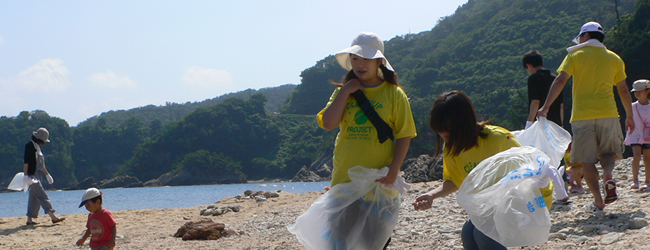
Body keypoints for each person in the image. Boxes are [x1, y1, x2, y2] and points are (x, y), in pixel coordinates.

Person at [413, 91, 553, 250]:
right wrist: (431, 195)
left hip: (523, 202)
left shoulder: (499, 139)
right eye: (440, 131)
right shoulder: (452, 147)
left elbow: (529, 172)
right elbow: (454, 181)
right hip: (489, 207)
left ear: (463, 123)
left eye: (447, 130)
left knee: (484, 235)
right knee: (468, 234)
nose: (443, 135)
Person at [317, 31, 417, 249]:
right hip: (345, 179)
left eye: (367, 59)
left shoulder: (394, 94)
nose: (360, 64)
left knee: (374, 243)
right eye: (355, 58)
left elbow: (404, 135)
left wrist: (394, 170)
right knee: (339, 242)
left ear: (379, 62)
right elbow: (329, 123)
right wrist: (345, 92)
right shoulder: (342, 92)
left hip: (379, 181)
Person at [538, 21, 634, 216]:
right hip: (608, 113)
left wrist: (546, 106)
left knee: (587, 160)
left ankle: (598, 201)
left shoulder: (574, 55)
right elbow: (623, 89)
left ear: (587, 36)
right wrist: (629, 115)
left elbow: (561, 80)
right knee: (608, 153)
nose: (579, 40)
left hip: (582, 116)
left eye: (580, 36)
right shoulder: (614, 58)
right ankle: (608, 174)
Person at [24, 127, 65, 225]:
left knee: (34, 197)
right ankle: (53, 216)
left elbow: (41, 165)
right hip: (32, 175)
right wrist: (26, 175)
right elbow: (26, 162)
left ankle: (30, 219)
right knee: (42, 195)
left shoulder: (38, 147)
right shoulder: (30, 146)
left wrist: (47, 174)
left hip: (38, 174)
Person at [522, 50, 564, 128]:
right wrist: (561, 124)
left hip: (540, 123)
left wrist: (530, 122)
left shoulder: (533, 78)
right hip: (555, 123)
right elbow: (561, 105)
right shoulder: (555, 79)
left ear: (529, 66)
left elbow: (535, 101)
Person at [624, 79, 650, 191]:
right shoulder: (632, 106)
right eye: (635, 91)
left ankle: (647, 181)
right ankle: (635, 180)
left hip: (647, 135)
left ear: (647, 91)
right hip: (635, 133)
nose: (637, 93)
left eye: (640, 91)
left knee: (647, 158)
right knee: (637, 156)